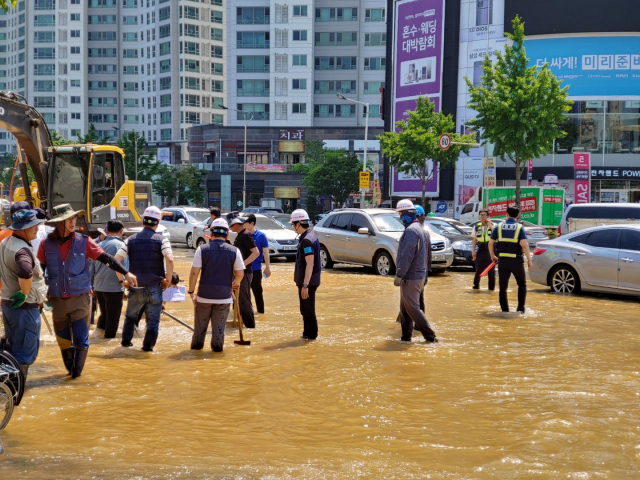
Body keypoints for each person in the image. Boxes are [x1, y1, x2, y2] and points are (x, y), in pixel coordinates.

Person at [37, 204, 135, 378]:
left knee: (81, 341)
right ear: (59, 222)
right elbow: (39, 271)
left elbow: (106, 259)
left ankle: (75, 378)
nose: (73, 221)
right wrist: (40, 295)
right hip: (57, 301)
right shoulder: (46, 244)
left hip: (81, 299)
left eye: (74, 218)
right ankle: (70, 373)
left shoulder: (84, 241)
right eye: (69, 219)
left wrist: (126, 272)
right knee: (64, 341)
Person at [0, 203, 48, 380]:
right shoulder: (22, 250)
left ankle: (9, 390)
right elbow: (25, 272)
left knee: (12, 350)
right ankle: (18, 393)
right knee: (24, 355)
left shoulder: (6, 242)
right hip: (24, 308)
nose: (36, 229)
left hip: (8, 304)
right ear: (23, 228)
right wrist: (25, 293)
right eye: (33, 226)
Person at [116, 206, 174, 351]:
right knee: (153, 322)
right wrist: (167, 279)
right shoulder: (162, 240)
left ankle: (126, 345)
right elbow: (170, 260)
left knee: (130, 318)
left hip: (136, 287)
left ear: (143, 221)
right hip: (155, 287)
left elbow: (116, 260)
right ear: (158, 222)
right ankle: (147, 349)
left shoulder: (130, 240)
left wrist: (122, 280)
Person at [188, 218, 244, 352]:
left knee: (199, 330)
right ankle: (217, 357)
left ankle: (196, 353)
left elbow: (194, 273)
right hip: (224, 298)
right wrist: (234, 284)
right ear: (227, 234)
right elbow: (240, 274)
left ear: (211, 233)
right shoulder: (235, 251)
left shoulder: (202, 249)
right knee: (219, 332)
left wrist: (191, 292)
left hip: (203, 297)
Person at [394, 199, 437, 343]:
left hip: (411, 276)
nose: (399, 216)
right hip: (417, 274)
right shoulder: (420, 228)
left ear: (405, 212)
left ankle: (430, 337)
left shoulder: (411, 230)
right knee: (405, 309)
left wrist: (399, 274)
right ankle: (406, 337)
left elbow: (407, 254)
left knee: (412, 308)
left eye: (400, 213)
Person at [489, 205, 533, 314]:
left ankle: (504, 311)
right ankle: (520, 309)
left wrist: (492, 256)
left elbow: (490, 244)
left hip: (502, 261)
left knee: (502, 287)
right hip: (516, 261)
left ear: (506, 214)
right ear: (517, 215)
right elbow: (524, 245)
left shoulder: (498, 226)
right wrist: (529, 260)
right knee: (521, 284)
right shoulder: (519, 227)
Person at [92, 220, 128, 338]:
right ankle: (107, 341)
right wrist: (126, 284)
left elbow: (90, 268)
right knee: (112, 319)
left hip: (98, 286)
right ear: (121, 231)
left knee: (104, 314)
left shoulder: (97, 245)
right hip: (114, 287)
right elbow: (125, 268)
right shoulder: (122, 246)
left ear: (106, 231)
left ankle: (97, 337)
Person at [289, 209, 321, 340]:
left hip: (308, 282)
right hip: (307, 281)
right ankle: (306, 334)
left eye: (293, 224)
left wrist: (305, 285)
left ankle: (312, 336)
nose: (292, 227)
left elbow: (310, 263)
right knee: (305, 310)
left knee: (308, 310)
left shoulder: (307, 240)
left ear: (298, 224)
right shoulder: (309, 236)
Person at [229, 217, 259, 329]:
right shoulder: (240, 235)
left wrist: (242, 265)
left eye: (231, 225)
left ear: (237, 224)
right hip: (240, 271)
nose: (230, 228)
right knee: (240, 300)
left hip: (245, 272)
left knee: (244, 300)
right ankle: (243, 324)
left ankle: (250, 327)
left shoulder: (245, 235)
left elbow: (256, 252)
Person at [243, 214, 271, 314]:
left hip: (255, 269)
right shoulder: (242, 235)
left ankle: (260, 313)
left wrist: (267, 267)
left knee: (258, 293)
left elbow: (266, 252)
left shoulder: (261, 236)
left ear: (252, 223)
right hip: (243, 269)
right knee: (242, 294)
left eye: (245, 223)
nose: (243, 225)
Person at [472, 209, 495, 291]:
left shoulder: (494, 225)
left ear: (488, 216)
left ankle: (491, 289)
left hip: (490, 250)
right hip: (481, 250)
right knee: (478, 269)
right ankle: (476, 287)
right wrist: (473, 251)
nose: (482, 217)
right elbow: (474, 240)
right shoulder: (476, 227)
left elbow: (498, 235)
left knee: (491, 271)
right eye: (481, 215)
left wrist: (490, 225)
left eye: (484, 215)